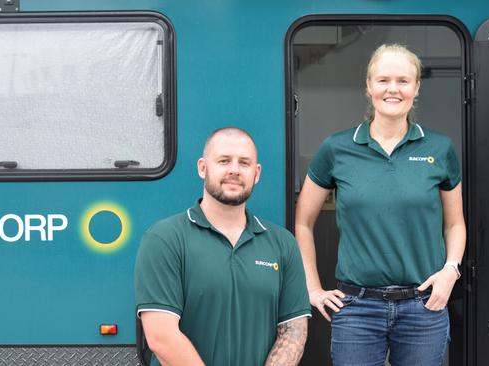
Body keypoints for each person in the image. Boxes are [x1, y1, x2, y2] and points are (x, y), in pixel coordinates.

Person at [295, 44, 466, 366]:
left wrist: (450, 271)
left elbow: (455, 223)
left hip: (424, 305)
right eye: (383, 80)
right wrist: (313, 288)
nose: (393, 89)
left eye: (403, 81)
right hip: (357, 308)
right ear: (369, 87)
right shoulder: (336, 148)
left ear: (416, 89)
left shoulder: (440, 148)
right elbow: (303, 222)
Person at [135, 127, 311, 366]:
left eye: (244, 163)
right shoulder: (165, 238)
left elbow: (294, 331)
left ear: (256, 173)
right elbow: (161, 337)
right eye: (224, 160)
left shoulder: (282, 243)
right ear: (202, 168)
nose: (234, 170)